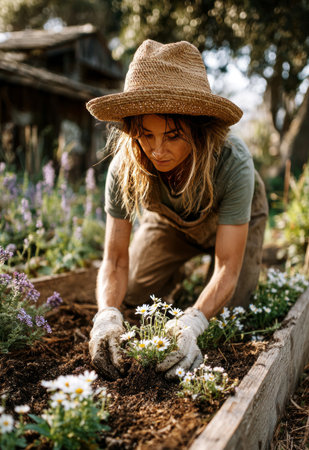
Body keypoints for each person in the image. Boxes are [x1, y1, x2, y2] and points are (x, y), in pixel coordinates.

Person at [86, 39, 268, 380]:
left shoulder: (233, 164)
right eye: (145, 135)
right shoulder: (126, 168)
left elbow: (228, 265)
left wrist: (194, 321)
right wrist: (106, 314)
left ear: (198, 129)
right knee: (134, 292)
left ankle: (224, 285)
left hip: (232, 224)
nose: (157, 150)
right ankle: (179, 276)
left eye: (172, 136)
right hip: (170, 224)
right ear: (132, 131)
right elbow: (114, 260)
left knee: (233, 314)